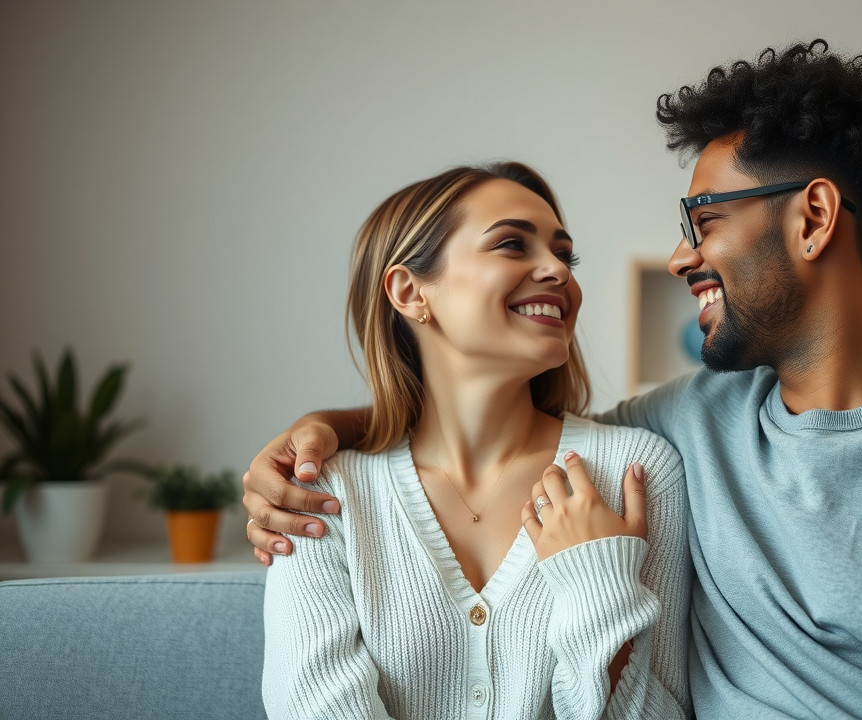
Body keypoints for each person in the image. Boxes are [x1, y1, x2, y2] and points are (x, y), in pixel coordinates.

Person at [245, 41, 862, 719]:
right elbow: (490, 427)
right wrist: (324, 435)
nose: (684, 254)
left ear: (812, 218)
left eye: (704, 217)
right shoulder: (679, 432)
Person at [258, 162, 691, 720]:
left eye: (566, 255)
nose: (558, 271)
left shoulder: (637, 471)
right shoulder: (323, 498)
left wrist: (599, 583)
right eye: (512, 244)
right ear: (410, 291)